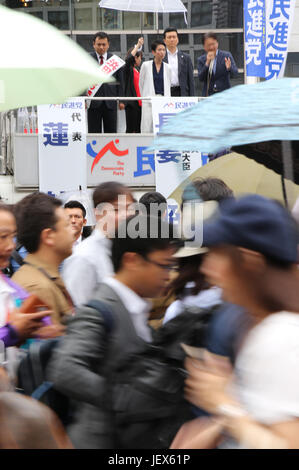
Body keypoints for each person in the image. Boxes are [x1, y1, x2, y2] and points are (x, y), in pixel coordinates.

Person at [48, 214, 180, 448]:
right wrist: (123, 399)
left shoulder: (135, 306)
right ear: (132, 260)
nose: (168, 275)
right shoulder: (101, 309)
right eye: (163, 265)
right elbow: (64, 369)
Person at [185, 195, 299, 449]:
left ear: (249, 261)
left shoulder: (279, 335)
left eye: (216, 254)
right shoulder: (260, 326)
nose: (206, 267)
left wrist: (223, 404)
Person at [62, 182, 134, 307]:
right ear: (98, 213)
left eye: (129, 208)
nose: (125, 215)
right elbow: (79, 312)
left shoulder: (129, 252)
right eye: (116, 209)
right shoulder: (84, 257)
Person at [12, 193, 74, 326]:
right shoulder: (38, 288)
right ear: (48, 236)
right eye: (67, 225)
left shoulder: (46, 277)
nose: (73, 231)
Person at [87, 31, 125, 133]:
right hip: (93, 102)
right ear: (93, 44)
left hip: (111, 102)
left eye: (104, 44)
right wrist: (83, 99)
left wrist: (121, 100)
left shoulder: (115, 61)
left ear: (108, 45)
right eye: (99, 44)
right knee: (94, 133)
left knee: (111, 132)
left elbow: (120, 82)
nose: (101, 47)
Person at [139, 40, 171, 133]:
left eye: (164, 50)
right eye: (159, 50)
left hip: (163, 101)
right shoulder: (146, 65)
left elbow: (168, 84)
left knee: (162, 127)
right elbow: (141, 83)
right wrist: (144, 97)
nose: (162, 52)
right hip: (149, 100)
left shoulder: (167, 67)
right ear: (153, 52)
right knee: (147, 126)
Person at [197, 32, 238, 97]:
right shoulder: (201, 60)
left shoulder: (226, 56)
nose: (211, 47)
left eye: (213, 44)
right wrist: (207, 63)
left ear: (217, 43)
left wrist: (229, 68)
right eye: (208, 45)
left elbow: (235, 74)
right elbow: (201, 78)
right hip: (208, 95)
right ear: (204, 47)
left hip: (225, 95)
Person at [163, 27, 195, 97]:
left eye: (174, 37)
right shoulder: (161, 58)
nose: (172, 39)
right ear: (164, 41)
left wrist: (192, 97)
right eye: (169, 37)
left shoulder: (186, 58)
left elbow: (191, 80)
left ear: (177, 39)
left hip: (182, 93)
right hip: (166, 93)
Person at [123, 37, 144, 133]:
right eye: (140, 57)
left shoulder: (137, 70)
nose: (141, 60)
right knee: (131, 130)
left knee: (139, 129)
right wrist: (138, 46)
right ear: (135, 57)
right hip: (132, 104)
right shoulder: (128, 69)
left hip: (140, 104)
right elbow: (128, 60)